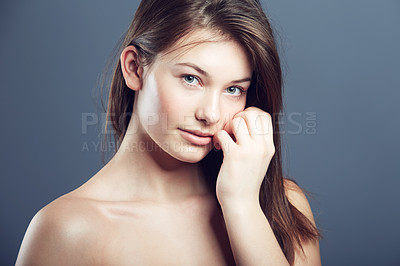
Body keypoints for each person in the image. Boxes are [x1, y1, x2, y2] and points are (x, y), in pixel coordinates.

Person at [16, 0, 322, 265]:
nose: (211, 114)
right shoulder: (67, 231)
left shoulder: (282, 206)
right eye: (191, 78)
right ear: (135, 68)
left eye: (233, 89)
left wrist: (241, 205)